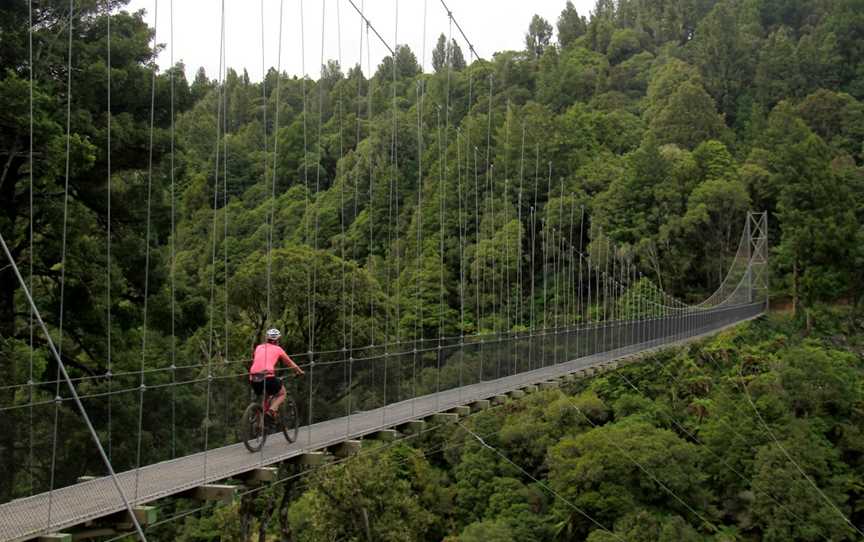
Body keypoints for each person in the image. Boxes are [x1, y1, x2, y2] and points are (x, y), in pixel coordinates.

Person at [249, 328, 304, 417]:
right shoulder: (278, 349)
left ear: (266, 339)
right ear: (278, 340)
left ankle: (261, 422)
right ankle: (271, 410)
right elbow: (290, 363)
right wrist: (300, 371)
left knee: (266, 395)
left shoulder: (258, 347)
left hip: (253, 377)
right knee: (282, 393)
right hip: (268, 376)